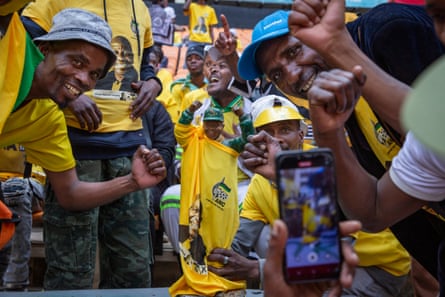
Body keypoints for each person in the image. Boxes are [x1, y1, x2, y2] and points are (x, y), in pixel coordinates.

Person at [235, 3, 445, 292]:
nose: (292, 76)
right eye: (277, 76)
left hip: (384, 269)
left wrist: (338, 46)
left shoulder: (388, 31)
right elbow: (364, 210)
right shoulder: (339, 105)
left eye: (294, 51)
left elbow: (435, 133)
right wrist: (284, 174)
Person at [21, 0, 165, 289]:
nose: (87, 78)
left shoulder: (141, 7)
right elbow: (25, 42)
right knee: (71, 269)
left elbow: (146, 60)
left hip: (130, 146)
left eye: (94, 74)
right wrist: (70, 95)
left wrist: (153, 83)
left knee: (134, 270)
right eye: (78, 64)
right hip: (75, 141)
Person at [169, 99, 254, 297]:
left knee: (221, 242)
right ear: (203, 124)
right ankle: (197, 281)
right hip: (195, 203)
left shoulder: (230, 146)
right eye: (209, 124)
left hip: (221, 206)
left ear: (222, 125)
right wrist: (190, 111)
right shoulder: (194, 140)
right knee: (193, 240)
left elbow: (248, 138)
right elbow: (180, 130)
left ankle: (222, 280)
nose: (212, 128)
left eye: (216, 124)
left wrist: (243, 116)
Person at [170, 44, 208, 123]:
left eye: (198, 58)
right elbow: (177, 117)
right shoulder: (178, 87)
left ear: (205, 62)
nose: (193, 61)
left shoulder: (213, 87)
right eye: (189, 59)